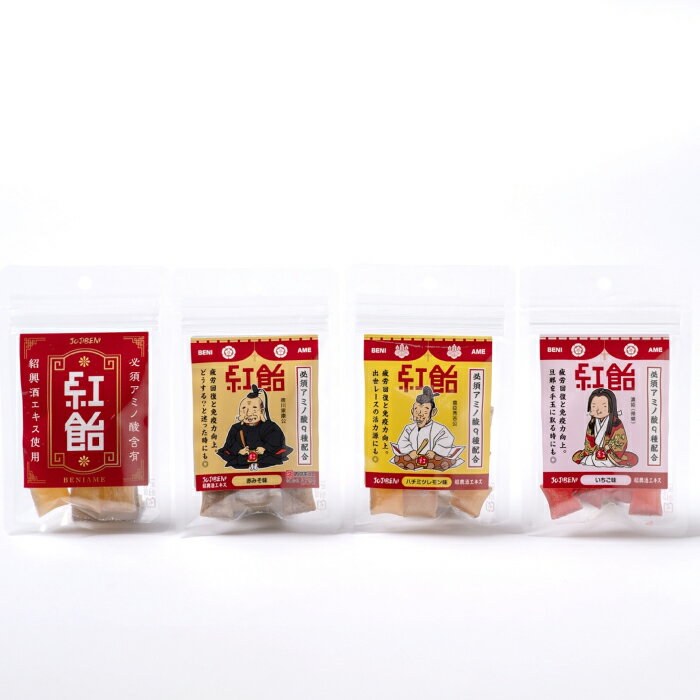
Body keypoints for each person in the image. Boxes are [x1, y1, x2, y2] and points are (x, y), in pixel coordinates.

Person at [217, 384, 292, 469]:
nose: (249, 413)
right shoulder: (236, 428)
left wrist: (265, 448)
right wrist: (239, 450)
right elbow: (229, 444)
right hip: (243, 456)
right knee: (231, 455)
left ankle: (258, 463)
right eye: (244, 408)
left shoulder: (269, 426)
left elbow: (277, 440)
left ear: (262, 411)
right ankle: (249, 464)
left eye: (254, 408)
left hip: (264, 455)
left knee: (272, 455)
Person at [393, 386, 462, 470]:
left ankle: (425, 465)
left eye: (425, 412)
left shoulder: (440, 429)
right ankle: (419, 465)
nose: (419, 415)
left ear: (433, 412)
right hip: (414, 458)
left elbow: (447, 439)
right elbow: (402, 442)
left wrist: (435, 452)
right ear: (412, 411)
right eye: (416, 411)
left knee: (446, 461)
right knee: (397, 459)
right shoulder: (409, 428)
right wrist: (410, 451)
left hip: (432, 458)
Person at [572, 387, 638, 467]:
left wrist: (609, 447)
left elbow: (620, 440)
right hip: (595, 452)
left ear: (611, 407)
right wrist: (594, 449)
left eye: (604, 406)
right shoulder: (592, 423)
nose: (598, 410)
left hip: (610, 454)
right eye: (594, 406)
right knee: (585, 459)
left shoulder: (616, 422)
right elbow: (589, 441)